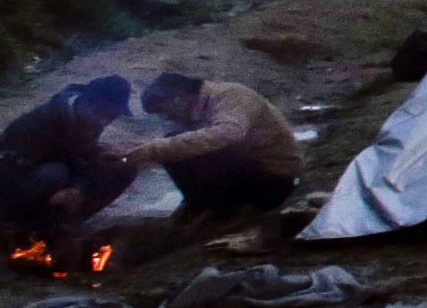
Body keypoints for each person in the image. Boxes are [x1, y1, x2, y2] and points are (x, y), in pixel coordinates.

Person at [0, 73, 142, 248]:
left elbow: (79, 157)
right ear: (86, 102)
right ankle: (26, 228)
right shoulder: (36, 124)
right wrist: (57, 194)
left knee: (124, 167)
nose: (104, 121)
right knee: (54, 174)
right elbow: (3, 176)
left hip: (44, 177)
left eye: (112, 116)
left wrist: (84, 184)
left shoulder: (84, 119)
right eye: (102, 113)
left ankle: (62, 224)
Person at [115, 71, 304, 222]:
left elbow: (228, 134)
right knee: (173, 143)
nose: (166, 117)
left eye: (164, 111)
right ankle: (202, 205)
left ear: (177, 99)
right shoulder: (198, 108)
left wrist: (153, 149)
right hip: (253, 174)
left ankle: (226, 209)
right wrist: (135, 151)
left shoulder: (230, 95)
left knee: (181, 146)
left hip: (276, 180)